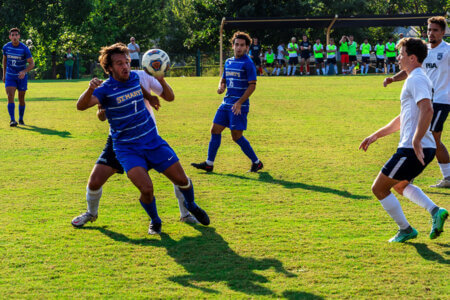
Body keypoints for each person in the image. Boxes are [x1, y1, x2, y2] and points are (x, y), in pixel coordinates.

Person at [76, 43, 210, 235]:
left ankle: (191, 205)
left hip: (152, 140)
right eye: (119, 63)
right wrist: (90, 89)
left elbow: (140, 87)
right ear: (110, 68)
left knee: (182, 179)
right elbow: (81, 106)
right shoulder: (105, 89)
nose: (125, 66)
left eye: (127, 62)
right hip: (127, 148)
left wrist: (151, 97)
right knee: (147, 189)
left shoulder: (133, 77)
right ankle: (155, 220)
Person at [360, 38, 448, 243]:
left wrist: (416, 140)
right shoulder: (415, 79)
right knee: (400, 185)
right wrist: (375, 135)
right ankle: (436, 211)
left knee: (379, 188)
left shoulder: (417, 79)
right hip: (417, 148)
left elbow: (428, 110)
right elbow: (403, 118)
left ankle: (406, 229)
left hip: (412, 149)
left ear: (412, 58)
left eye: (401, 54)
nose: (398, 58)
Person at [384, 16, 450, 188]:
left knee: (431, 138)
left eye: (435, 30)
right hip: (424, 99)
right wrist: (393, 78)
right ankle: (443, 176)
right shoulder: (423, 50)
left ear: (443, 32)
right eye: (429, 29)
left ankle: (414, 175)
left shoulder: (448, 50)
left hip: (441, 100)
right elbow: (409, 69)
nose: (431, 33)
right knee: (428, 138)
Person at [191, 31, 263, 173]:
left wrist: (240, 102)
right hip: (226, 104)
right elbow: (223, 78)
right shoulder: (228, 61)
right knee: (214, 130)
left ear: (247, 47)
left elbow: (252, 85)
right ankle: (209, 163)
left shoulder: (248, 63)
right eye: (236, 45)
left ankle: (257, 162)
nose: (239, 48)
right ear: (233, 45)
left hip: (238, 107)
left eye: (242, 45)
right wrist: (220, 86)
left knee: (236, 136)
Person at [2, 28, 34, 127]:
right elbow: (4, 61)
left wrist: (24, 71)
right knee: (10, 96)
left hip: (21, 77)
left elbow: (31, 64)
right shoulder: (6, 47)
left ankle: (21, 119)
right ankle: (12, 120)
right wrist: (4, 74)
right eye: (13, 35)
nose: (14, 37)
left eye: (16, 35)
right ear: (10, 37)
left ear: (19, 36)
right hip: (10, 76)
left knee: (21, 98)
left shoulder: (24, 48)